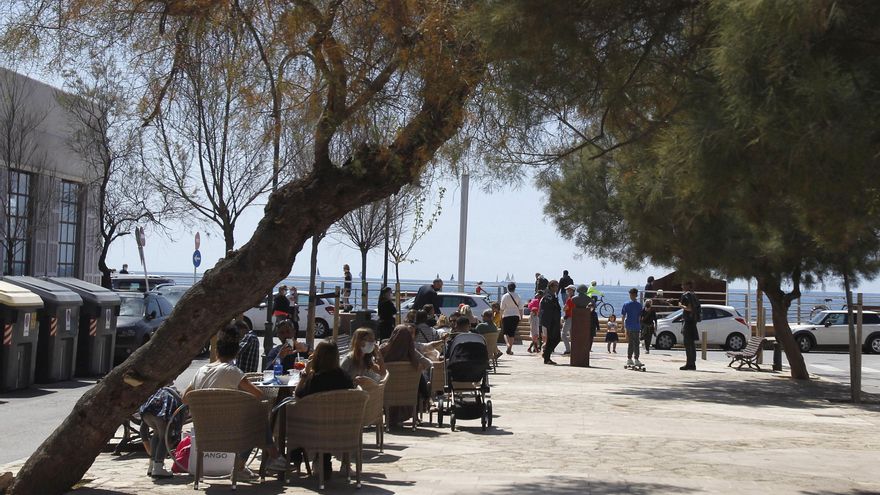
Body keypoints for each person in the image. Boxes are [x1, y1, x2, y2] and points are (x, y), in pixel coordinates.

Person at [184, 325, 288, 477]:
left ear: (216, 351)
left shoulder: (201, 371)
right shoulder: (233, 371)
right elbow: (259, 395)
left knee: (254, 421)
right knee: (258, 419)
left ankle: (266, 459)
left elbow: (185, 398)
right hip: (231, 429)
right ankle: (271, 457)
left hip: (204, 428)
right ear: (236, 354)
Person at [295, 341, 355, 477]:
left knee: (290, 416)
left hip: (317, 426)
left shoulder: (315, 379)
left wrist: (304, 376)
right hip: (343, 425)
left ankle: (295, 462)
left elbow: (298, 396)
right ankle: (324, 461)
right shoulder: (344, 377)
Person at [381, 325, 433, 425]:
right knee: (417, 378)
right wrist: (416, 367)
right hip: (408, 393)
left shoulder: (384, 349)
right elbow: (428, 364)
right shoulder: (412, 352)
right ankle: (423, 404)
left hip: (387, 391)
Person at [139, 384, 183, 478]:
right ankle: (158, 467)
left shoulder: (158, 392)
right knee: (164, 437)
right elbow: (178, 425)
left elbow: (142, 429)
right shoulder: (175, 398)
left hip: (147, 412)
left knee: (157, 434)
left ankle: (152, 466)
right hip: (161, 412)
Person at [679, 281, 700, 370]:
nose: (682, 286)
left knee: (687, 343)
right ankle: (692, 363)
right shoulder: (694, 295)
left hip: (688, 321)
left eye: (683, 284)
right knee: (691, 343)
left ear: (687, 285)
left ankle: (689, 363)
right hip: (693, 321)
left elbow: (689, 308)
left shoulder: (686, 295)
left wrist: (681, 306)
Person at [540, 280, 562, 365]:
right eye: (556, 286)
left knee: (554, 339)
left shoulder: (553, 295)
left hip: (554, 321)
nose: (557, 287)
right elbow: (548, 310)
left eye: (558, 285)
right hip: (551, 321)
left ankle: (546, 355)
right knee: (554, 339)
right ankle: (546, 356)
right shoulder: (548, 296)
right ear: (551, 286)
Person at [621, 288, 644, 368]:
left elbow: (623, 315)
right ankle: (636, 359)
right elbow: (640, 317)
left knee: (631, 343)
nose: (631, 296)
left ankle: (630, 358)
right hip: (635, 326)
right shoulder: (639, 305)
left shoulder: (626, 304)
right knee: (635, 343)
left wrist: (622, 325)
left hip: (630, 325)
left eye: (631, 294)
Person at [499, 282, 522, 355]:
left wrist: (500, 316)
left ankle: (507, 344)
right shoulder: (518, 296)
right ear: (515, 288)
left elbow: (502, 308)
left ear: (508, 288)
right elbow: (521, 308)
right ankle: (510, 349)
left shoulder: (505, 296)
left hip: (506, 315)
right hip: (515, 315)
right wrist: (521, 317)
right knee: (512, 333)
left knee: (505, 332)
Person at [561, 285, 576, 355]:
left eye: (568, 290)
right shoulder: (575, 299)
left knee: (563, 334)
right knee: (572, 334)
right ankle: (574, 349)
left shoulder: (570, 299)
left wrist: (564, 308)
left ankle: (568, 349)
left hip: (569, 318)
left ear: (572, 291)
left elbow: (565, 308)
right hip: (574, 318)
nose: (567, 291)